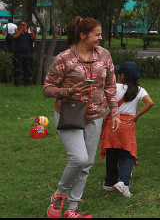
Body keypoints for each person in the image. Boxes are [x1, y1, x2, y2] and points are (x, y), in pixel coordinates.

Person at [43, 16, 120, 219]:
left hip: (95, 115)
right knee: (79, 158)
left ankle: (71, 209)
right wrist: (69, 90)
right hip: (69, 114)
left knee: (87, 164)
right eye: (97, 34)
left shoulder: (104, 55)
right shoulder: (65, 58)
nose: (100, 38)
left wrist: (114, 110)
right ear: (83, 35)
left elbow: (111, 85)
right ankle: (59, 194)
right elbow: (47, 88)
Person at [100, 61, 153, 198]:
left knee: (111, 152)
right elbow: (150, 102)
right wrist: (136, 117)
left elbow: (104, 105)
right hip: (128, 125)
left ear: (122, 76)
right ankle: (124, 182)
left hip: (113, 123)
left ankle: (109, 182)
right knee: (127, 154)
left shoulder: (115, 88)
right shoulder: (140, 90)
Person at [12, 20, 37, 86]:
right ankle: (16, 82)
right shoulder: (16, 33)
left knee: (27, 69)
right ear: (19, 25)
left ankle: (27, 82)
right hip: (18, 54)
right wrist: (21, 29)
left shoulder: (28, 35)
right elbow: (15, 37)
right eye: (21, 25)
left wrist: (33, 31)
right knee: (17, 69)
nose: (23, 26)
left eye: (24, 25)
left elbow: (34, 38)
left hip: (27, 54)